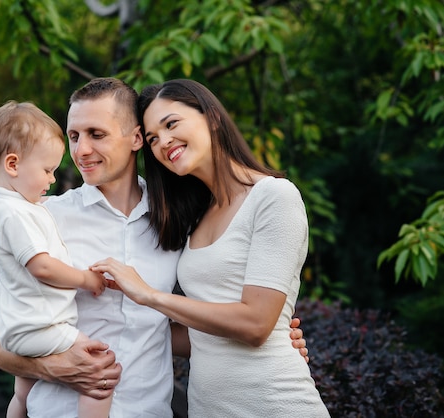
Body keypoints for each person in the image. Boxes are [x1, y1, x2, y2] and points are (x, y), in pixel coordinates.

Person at [0, 78, 309, 417]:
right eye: (74, 136)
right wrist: (53, 368)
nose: (81, 150)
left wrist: (275, 334)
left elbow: (186, 326)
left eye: (97, 134)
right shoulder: (46, 217)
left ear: (135, 139)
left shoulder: (178, 220)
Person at [90, 79, 329, 417]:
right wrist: (96, 321)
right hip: (208, 407)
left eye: (171, 124)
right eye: (153, 138)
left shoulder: (274, 197)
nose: (163, 142)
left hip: (274, 404)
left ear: (213, 117)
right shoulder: (195, 218)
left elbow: (256, 325)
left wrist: (149, 296)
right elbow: (201, 338)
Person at [0, 101, 111, 418]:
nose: (52, 179)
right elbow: (41, 266)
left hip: (22, 325)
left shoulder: (13, 206)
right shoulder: (15, 214)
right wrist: (85, 278)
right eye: (47, 170)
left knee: (23, 394)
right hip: (40, 325)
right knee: (101, 373)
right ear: (13, 165)